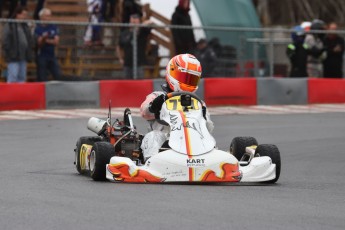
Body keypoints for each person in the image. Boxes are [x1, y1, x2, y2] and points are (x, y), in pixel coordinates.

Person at [139, 53, 214, 161]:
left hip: (193, 143)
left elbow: (208, 128)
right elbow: (144, 112)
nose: (187, 83)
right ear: (172, 73)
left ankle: (211, 162)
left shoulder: (198, 103)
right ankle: (153, 163)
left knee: (209, 139)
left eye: (192, 80)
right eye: (185, 78)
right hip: (164, 144)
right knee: (154, 136)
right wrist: (154, 106)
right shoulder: (157, 97)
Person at [1, 6, 33, 83]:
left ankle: (20, 93)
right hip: (13, 55)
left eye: (26, 15)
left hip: (23, 55)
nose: (24, 17)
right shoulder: (10, 25)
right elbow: (5, 40)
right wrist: (9, 52)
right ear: (17, 15)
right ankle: (10, 93)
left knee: (22, 76)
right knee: (13, 76)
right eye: (23, 14)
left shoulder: (25, 26)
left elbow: (29, 39)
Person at [116, 13, 152, 79]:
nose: (134, 23)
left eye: (135, 21)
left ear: (139, 22)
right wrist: (120, 58)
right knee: (127, 83)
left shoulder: (142, 31)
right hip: (127, 63)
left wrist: (141, 25)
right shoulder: (125, 33)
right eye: (132, 21)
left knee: (139, 83)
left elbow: (151, 22)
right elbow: (119, 46)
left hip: (139, 63)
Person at [34, 8, 61, 81]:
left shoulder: (53, 27)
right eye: (46, 16)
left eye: (49, 16)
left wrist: (45, 39)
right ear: (41, 17)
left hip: (52, 55)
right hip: (42, 55)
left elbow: (56, 41)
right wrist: (45, 40)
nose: (48, 18)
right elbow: (39, 43)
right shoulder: (37, 28)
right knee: (42, 77)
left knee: (58, 75)